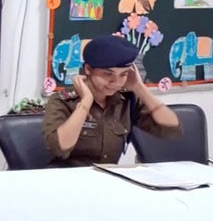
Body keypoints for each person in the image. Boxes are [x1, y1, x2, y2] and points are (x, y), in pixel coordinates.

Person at [43, 35, 181, 167]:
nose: (116, 82)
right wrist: (85, 103)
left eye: (123, 74)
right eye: (108, 74)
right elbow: (59, 148)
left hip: (108, 178)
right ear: (88, 69)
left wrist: (140, 88)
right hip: (68, 177)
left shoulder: (126, 100)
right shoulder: (63, 100)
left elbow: (172, 128)